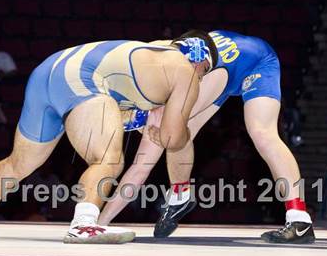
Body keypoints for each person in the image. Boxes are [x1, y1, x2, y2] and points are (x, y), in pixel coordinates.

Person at [0, 34, 216, 243]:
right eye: (206, 71)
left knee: (20, 163)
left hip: (49, 71)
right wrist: (173, 133)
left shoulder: (153, 52)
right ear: (200, 59)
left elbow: (101, 113)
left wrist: (135, 118)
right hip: (82, 81)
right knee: (107, 159)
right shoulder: (187, 70)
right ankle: (84, 224)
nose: (202, 79)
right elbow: (173, 137)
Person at [98, 30, 315, 244]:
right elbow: (139, 168)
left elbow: (143, 164)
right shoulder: (149, 67)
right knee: (179, 133)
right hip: (208, 62)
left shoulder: (170, 93)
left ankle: (299, 220)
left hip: (255, 60)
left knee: (262, 134)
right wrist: (100, 224)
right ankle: (180, 195)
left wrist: (151, 125)